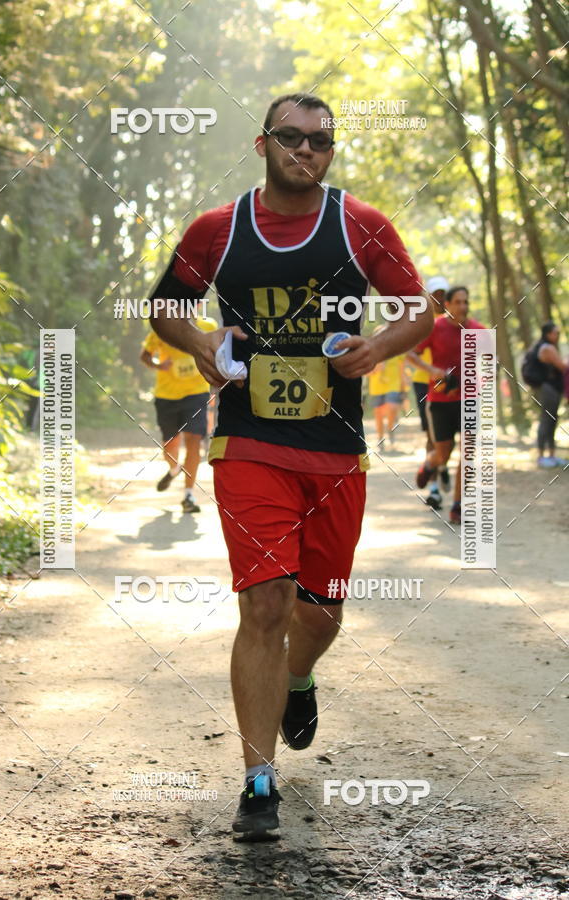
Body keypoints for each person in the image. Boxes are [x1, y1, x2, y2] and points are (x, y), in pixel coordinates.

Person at [149, 92, 433, 841]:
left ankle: (300, 679)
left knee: (321, 610)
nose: (305, 150)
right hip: (248, 444)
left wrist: (379, 346)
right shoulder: (217, 230)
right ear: (262, 142)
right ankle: (257, 780)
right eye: (291, 137)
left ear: (330, 152)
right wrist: (202, 342)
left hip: (336, 451)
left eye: (320, 141)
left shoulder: (362, 225)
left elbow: (418, 307)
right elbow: (166, 306)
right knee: (266, 604)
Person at [408, 285, 484, 524]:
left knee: (468, 453)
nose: (463, 306)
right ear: (447, 304)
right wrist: (433, 372)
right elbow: (410, 354)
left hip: (470, 399)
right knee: (443, 453)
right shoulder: (435, 327)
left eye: (466, 302)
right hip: (440, 401)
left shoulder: (477, 330)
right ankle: (430, 465)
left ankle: (458, 505)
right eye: (458, 302)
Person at [140, 304, 217, 512]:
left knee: (194, 441)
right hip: (167, 396)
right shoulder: (162, 329)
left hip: (196, 393)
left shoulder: (208, 326)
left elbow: (218, 352)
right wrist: (158, 365)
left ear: (199, 305)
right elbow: (145, 356)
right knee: (170, 445)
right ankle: (174, 469)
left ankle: (188, 496)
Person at [409, 276, 450, 509]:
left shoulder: (454, 320)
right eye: (436, 294)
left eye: (443, 294)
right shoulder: (420, 319)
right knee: (431, 436)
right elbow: (409, 351)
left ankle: (441, 466)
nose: (440, 298)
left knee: (447, 438)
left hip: (447, 385)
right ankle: (434, 488)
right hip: (423, 383)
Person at [532, 321, 568, 467]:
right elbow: (562, 366)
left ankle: (551, 455)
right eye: (556, 333)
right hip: (548, 389)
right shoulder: (547, 348)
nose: (558, 336)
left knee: (551, 419)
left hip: (552, 388)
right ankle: (541, 456)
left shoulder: (545, 346)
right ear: (548, 334)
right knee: (546, 419)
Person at [367, 352, 405, 451]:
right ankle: (380, 438)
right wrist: (376, 369)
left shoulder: (398, 350)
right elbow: (366, 372)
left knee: (392, 408)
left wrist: (403, 388)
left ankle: (390, 428)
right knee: (379, 415)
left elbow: (402, 370)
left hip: (393, 385)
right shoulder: (373, 349)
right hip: (376, 388)